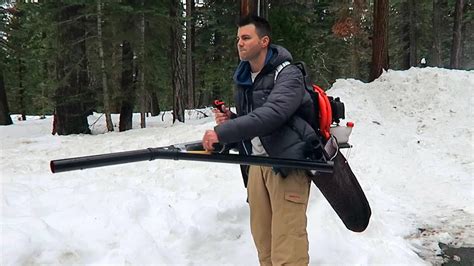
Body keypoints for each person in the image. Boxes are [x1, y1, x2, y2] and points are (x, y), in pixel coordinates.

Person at [202, 15, 319, 265]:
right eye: (238, 39)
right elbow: (253, 122)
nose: (240, 43)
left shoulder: (288, 75)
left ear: (264, 41)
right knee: (264, 248)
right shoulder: (245, 79)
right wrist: (230, 119)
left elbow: (273, 115)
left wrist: (223, 132)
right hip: (257, 166)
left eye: (246, 38)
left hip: (287, 165)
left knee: (288, 250)